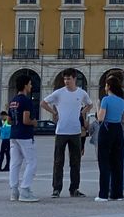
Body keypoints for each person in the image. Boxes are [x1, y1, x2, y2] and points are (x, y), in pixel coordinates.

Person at [41, 68, 92, 198]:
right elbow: (43, 103)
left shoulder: (81, 93)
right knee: (58, 161)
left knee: (76, 162)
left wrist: (82, 112)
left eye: (69, 79)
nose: (66, 81)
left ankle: (74, 188)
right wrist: (54, 113)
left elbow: (90, 104)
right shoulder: (58, 93)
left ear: (75, 79)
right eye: (65, 79)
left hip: (75, 132)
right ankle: (56, 189)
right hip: (61, 131)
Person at [95, 74, 124, 201]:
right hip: (118, 130)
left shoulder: (105, 100)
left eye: (106, 85)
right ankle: (117, 193)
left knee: (104, 162)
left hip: (107, 128)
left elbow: (100, 118)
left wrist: (98, 107)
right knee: (118, 163)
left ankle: (103, 194)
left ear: (109, 87)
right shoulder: (122, 101)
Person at [8, 73, 39, 202]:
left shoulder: (13, 101)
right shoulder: (26, 101)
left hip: (14, 134)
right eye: (30, 84)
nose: (31, 86)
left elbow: (9, 120)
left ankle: (14, 191)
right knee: (31, 162)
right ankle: (25, 190)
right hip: (24, 135)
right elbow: (26, 120)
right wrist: (34, 122)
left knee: (15, 163)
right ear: (25, 85)